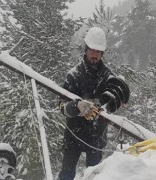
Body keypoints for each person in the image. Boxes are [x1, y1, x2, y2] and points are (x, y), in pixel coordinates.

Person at [58, 27, 130, 180]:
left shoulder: (108, 77)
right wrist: (76, 106)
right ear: (86, 50)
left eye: (98, 51)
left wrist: (114, 103)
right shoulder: (74, 75)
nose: (95, 54)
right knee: (67, 174)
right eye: (92, 50)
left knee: (94, 176)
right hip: (74, 134)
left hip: (96, 136)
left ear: (102, 53)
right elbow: (61, 106)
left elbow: (112, 102)